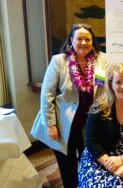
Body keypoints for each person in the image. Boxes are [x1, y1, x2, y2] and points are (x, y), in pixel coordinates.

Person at [31, 23, 109, 188]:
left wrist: (102, 121)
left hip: (89, 123)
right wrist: (51, 124)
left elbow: (102, 91)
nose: (83, 43)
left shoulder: (101, 60)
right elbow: (47, 95)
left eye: (87, 39)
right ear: (71, 40)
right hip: (63, 123)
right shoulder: (59, 61)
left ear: (92, 41)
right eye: (79, 38)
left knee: (89, 161)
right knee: (67, 165)